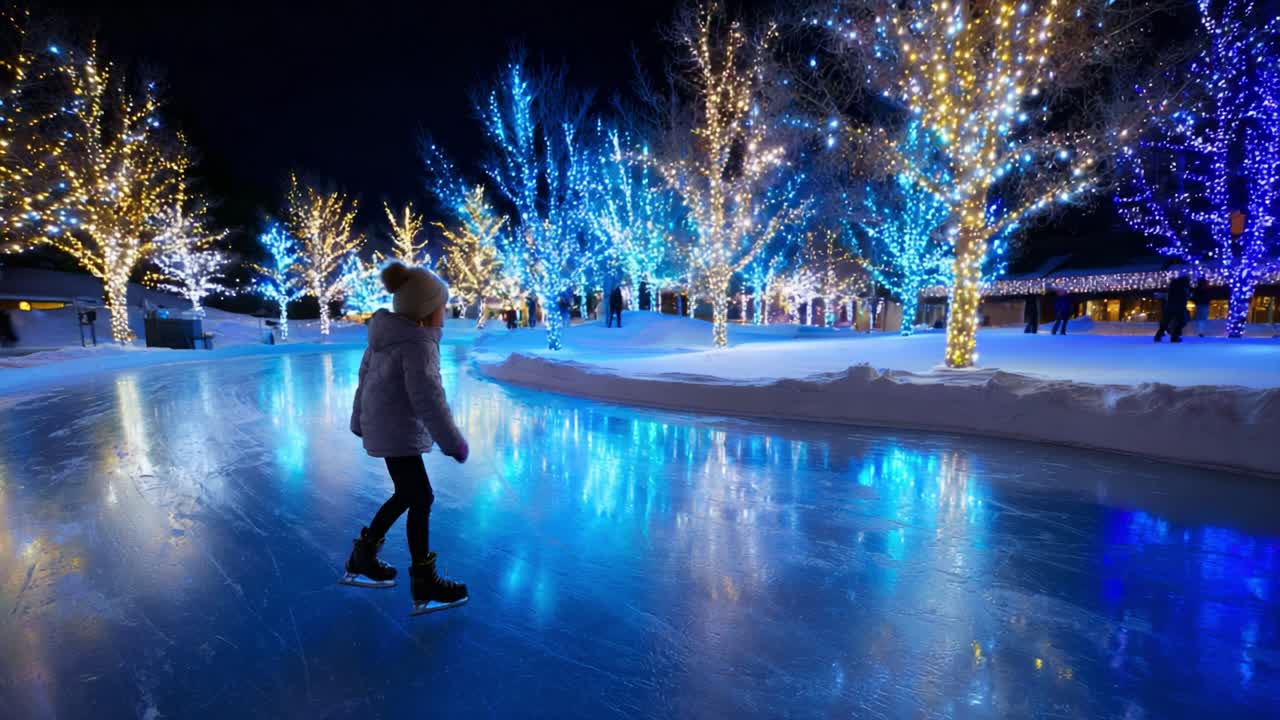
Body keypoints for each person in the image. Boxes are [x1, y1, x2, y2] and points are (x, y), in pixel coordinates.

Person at [343, 261, 470, 616]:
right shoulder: (418, 344)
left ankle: (363, 557)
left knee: (409, 494)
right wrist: (453, 442)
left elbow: (363, 380)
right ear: (427, 311)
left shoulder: (385, 337)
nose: (444, 312)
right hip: (398, 431)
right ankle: (423, 581)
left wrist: (360, 422)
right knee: (421, 496)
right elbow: (428, 399)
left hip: (385, 427)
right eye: (441, 306)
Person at [1155, 275, 1191, 343]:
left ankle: (1158, 336)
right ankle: (1174, 337)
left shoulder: (1173, 285)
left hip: (1170, 305)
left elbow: (1169, 295)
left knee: (1166, 321)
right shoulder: (1183, 286)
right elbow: (1185, 297)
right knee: (1180, 321)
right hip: (1179, 306)